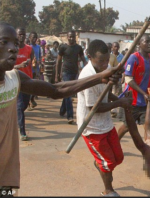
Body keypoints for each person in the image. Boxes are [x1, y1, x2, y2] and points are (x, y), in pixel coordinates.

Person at [0, 22, 123, 194]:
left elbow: (56, 90)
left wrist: (100, 77)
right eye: (4, 42)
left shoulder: (14, 78)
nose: (13, 48)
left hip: (7, 172)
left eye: (14, 42)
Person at [77, 39, 132, 196]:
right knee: (107, 163)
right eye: (101, 61)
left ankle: (99, 163)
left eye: (107, 60)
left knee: (118, 158)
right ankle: (108, 190)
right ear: (89, 57)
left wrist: (119, 100)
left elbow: (106, 93)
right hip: (91, 126)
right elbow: (95, 108)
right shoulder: (86, 76)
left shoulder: (106, 67)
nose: (105, 64)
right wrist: (119, 103)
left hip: (106, 122)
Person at [117, 35, 150, 140]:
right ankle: (114, 144)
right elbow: (129, 79)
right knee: (126, 127)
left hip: (146, 102)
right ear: (139, 44)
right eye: (146, 42)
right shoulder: (134, 58)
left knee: (148, 126)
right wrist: (143, 93)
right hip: (132, 101)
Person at [55, 30, 88, 124]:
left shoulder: (78, 48)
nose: (71, 38)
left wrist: (89, 69)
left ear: (75, 37)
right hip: (65, 73)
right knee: (68, 95)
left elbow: (83, 60)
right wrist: (57, 75)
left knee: (68, 94)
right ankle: (70, 116)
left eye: (73, 37)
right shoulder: (63, 47)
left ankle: (62, 110)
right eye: (70, 36)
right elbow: (58, 62)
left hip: (74, 73)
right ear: (67, 37)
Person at [14, 27, 34, 141]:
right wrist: (19, 66)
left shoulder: (29, 49)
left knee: (25, 104)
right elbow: (9, 67)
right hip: (16, 79)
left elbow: (32, 60)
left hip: (28, 80)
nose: (21, 36)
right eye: (19, 34)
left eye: (23, 34)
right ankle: (22, 132)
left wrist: (29, 62)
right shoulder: (12, 49)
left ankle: (17, 117)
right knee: (20, 106)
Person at [28, 31, 41, 110]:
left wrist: (39, 63)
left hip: (36, 69)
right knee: (29, 86)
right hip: (29, 69)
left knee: (35, 86)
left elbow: (39, 57)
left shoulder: (38, 47)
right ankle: (28, 102)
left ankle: (32, 98)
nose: (34, 39)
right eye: (33, 37)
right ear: (29, 38)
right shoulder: (28, 47)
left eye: (35, 37)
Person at [111, 42, 124, 120]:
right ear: (112, 47)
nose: (116, 48)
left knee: (116, 94)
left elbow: (123, 67)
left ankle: (114, 110)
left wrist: (123, 77)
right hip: (109, 78)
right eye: (114, 46)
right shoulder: (109, 56)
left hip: (118, 78)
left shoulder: (122, 57)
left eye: (117, 47)